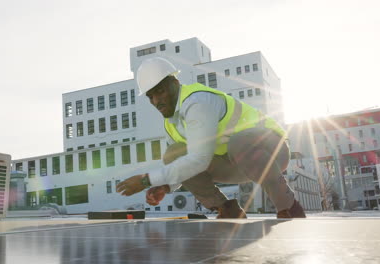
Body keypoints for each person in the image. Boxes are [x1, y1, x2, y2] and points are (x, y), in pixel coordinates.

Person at [116, 57, 305, 219]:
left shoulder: (198, 102)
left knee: (239, 142)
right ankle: (227, 210)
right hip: (234, 164)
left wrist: (145, 180)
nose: (156, 101)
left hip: (271, 151)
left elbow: (199, 160)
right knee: (174, 154)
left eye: (160, 91)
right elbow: (186, 163)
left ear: (174, 84)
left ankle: (288, 207)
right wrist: (166, 186)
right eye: (151, 97)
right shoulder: (171, 123)